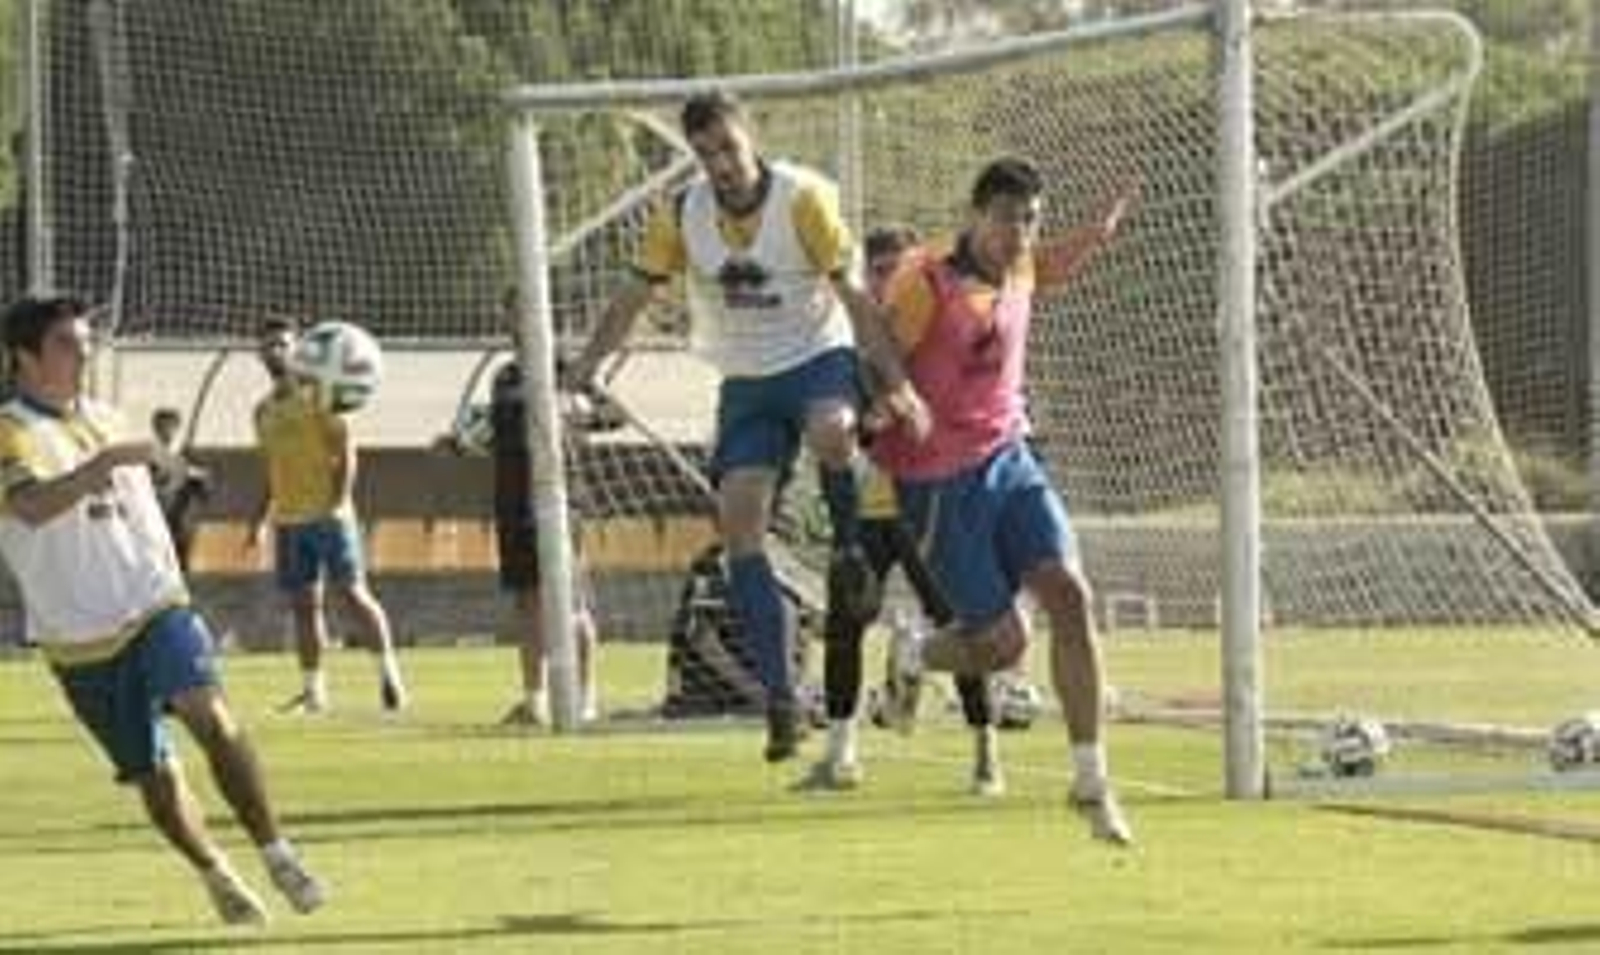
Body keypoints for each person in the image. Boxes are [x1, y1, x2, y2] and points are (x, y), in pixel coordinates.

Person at [566, 90, 928, 763]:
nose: (719, 163)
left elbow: (854, 300)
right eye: (704, 153)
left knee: (830, 429)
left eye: (727, 147)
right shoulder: (681, 213)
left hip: (817, 358)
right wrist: (584, 366)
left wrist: (898, 382)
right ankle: (783, 698)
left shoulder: (803, 199)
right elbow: (633, 297)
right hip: (747, 381)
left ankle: (849, 547)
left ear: (748, 137)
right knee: (738, 525)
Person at [0, 294, 325, 924]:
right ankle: (215, 870)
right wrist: (110, 463)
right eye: (68, 343)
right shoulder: (9, 429)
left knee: (214, 718)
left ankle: (279, 852)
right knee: (155, 774)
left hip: (157, 603)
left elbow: (143, 475)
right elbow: (32, 508)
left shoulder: (107, 415)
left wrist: (176, 470)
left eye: (87, 341)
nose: (85, 353)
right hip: (80, 637)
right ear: (24, 357)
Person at [875, 157, 1137, 845]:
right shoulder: (926, 281)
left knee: (1069, 592)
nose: (1017, 233)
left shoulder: (1021, 265)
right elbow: (878, 349)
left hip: (1009, 458)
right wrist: (883, 404)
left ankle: (1090, 779)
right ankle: (915, 656)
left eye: (1028, 219)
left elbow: (1046, 267)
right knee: (1002, 645)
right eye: (1004, 219)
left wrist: (1096, 234)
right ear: (974, 217)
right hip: (937, 480)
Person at [802, 224, 1005, 795]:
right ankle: (840, 755)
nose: (886, 279)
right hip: (869, 513)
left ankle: (987, 753)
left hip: (931, 506)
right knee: (844, 623)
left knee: (961, 622)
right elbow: (841, 429)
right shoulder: (852, 352)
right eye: (877, 269)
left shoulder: (941, 340)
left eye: (897, 268)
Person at [245, 315, 407, 714]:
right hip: (288, 521)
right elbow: (272, 468)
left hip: (329, 516)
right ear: (258, 353)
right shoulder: (263, 411)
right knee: (304, 606)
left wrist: (338, 501)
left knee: (353, 594)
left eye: (283, 344)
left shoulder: (320, 394)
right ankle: (314, 692)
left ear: (299, 348)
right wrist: (259, 518)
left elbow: (347, 451)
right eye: (268, 346)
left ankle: (390, 676)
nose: (276, 352)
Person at [454, 289, 601, 726]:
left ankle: (586, 697)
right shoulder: (504, 375)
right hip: (513, 501)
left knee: (571, 601)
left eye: (523, 310)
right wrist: (461, 445)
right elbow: (496, 435)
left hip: (560, 501)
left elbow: (612, 412)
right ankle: (534, 699)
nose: (515, 320)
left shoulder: (566, 367)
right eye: (510, 311)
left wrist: (577, 406)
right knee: (527, 602)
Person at [148, 406, 211, 574]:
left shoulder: (188, 455)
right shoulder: (149, 457)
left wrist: (192, 474)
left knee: (181, 567)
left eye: (169, 427)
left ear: (177, 428)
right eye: (161, 427)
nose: (165, 432)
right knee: (157, 567)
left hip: (181, 524)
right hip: (155, 523)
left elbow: (205, 491)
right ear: (154, 429)